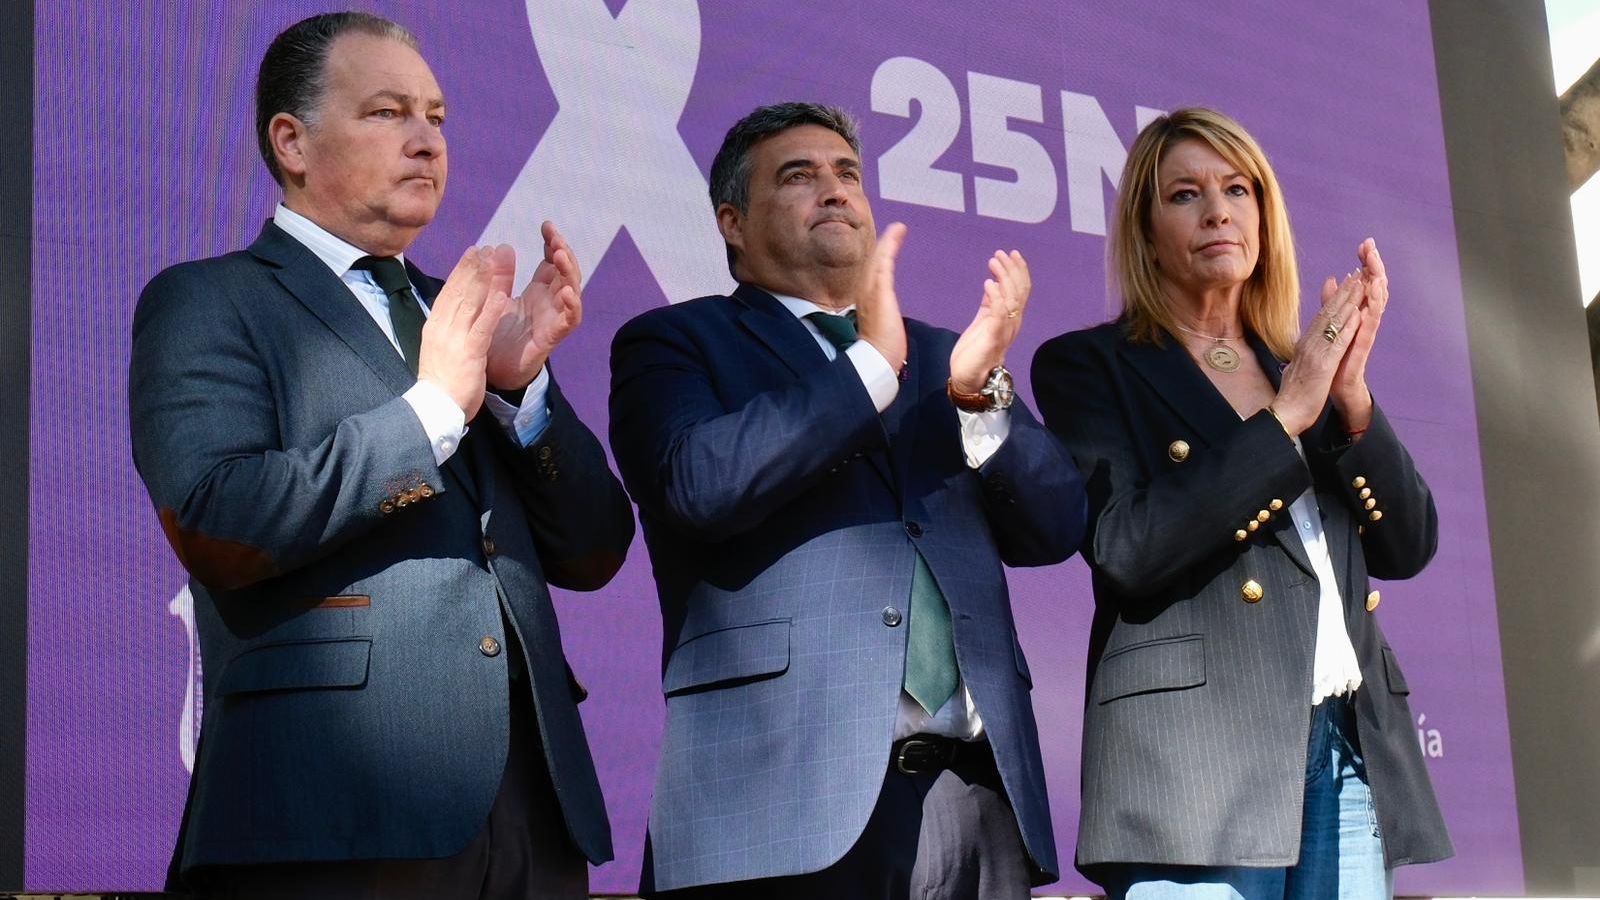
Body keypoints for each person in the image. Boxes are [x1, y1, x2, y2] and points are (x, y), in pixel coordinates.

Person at [127, 12, 633, 898]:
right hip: (325, 815)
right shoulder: (209, 301)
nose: (426, 141)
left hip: (530, 810)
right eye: (387, 112)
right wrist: (432, 410)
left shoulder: (466, 316)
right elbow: (219, 520)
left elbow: (595, 551)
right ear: (292, 141)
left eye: (436, 117)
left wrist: (517, 393)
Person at [607, 102, 1087, 899]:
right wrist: (867, 368)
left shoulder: (949, 358)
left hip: (973, 800)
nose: (833, 190)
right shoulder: (676, 341)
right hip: (779, 805)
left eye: (848, 174)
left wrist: (981, 400)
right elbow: (696, 485)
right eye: (799, 176)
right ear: (732, 222)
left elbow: (1057, 526)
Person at [1031, 107, 1453, 898]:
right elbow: (1127, 549)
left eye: (1237, 189)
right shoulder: (1091, 366)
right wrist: (1283, 419)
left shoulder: (1304, 366)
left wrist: (1352, 400)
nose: (1218, 212)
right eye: (1185, 194)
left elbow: (1410, 545)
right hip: (1196, 766)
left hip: (1347, 748)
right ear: (1145, 230)